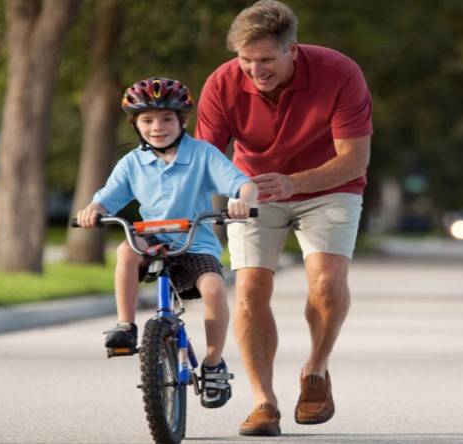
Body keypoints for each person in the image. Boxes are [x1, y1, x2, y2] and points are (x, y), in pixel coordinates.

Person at [194, 0, 373, 436]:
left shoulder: (339, 73)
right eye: (246, 60)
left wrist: (295, 182)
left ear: (293, 50)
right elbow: (204, 158)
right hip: (255, 188)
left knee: (327, 281)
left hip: (330, 186)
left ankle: (315, 370)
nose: (255, 70)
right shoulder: (222, 82)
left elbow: (355, 160)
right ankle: (264, 401)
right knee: (252, 287)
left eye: (266, 59)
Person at [76, 77, 259, 409]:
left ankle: (214, 364)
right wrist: (93, 210)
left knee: (215, 289)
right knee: (125, 249)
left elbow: (242, 185)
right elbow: (106, 200)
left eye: (166, 119)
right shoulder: (132, 163)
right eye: (147, 120)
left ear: (183, 121)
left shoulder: (203, 154)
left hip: (194, 243)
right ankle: (126, 326)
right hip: (154, 240)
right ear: (136, 124)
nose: (157, 127)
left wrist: (241, 201)